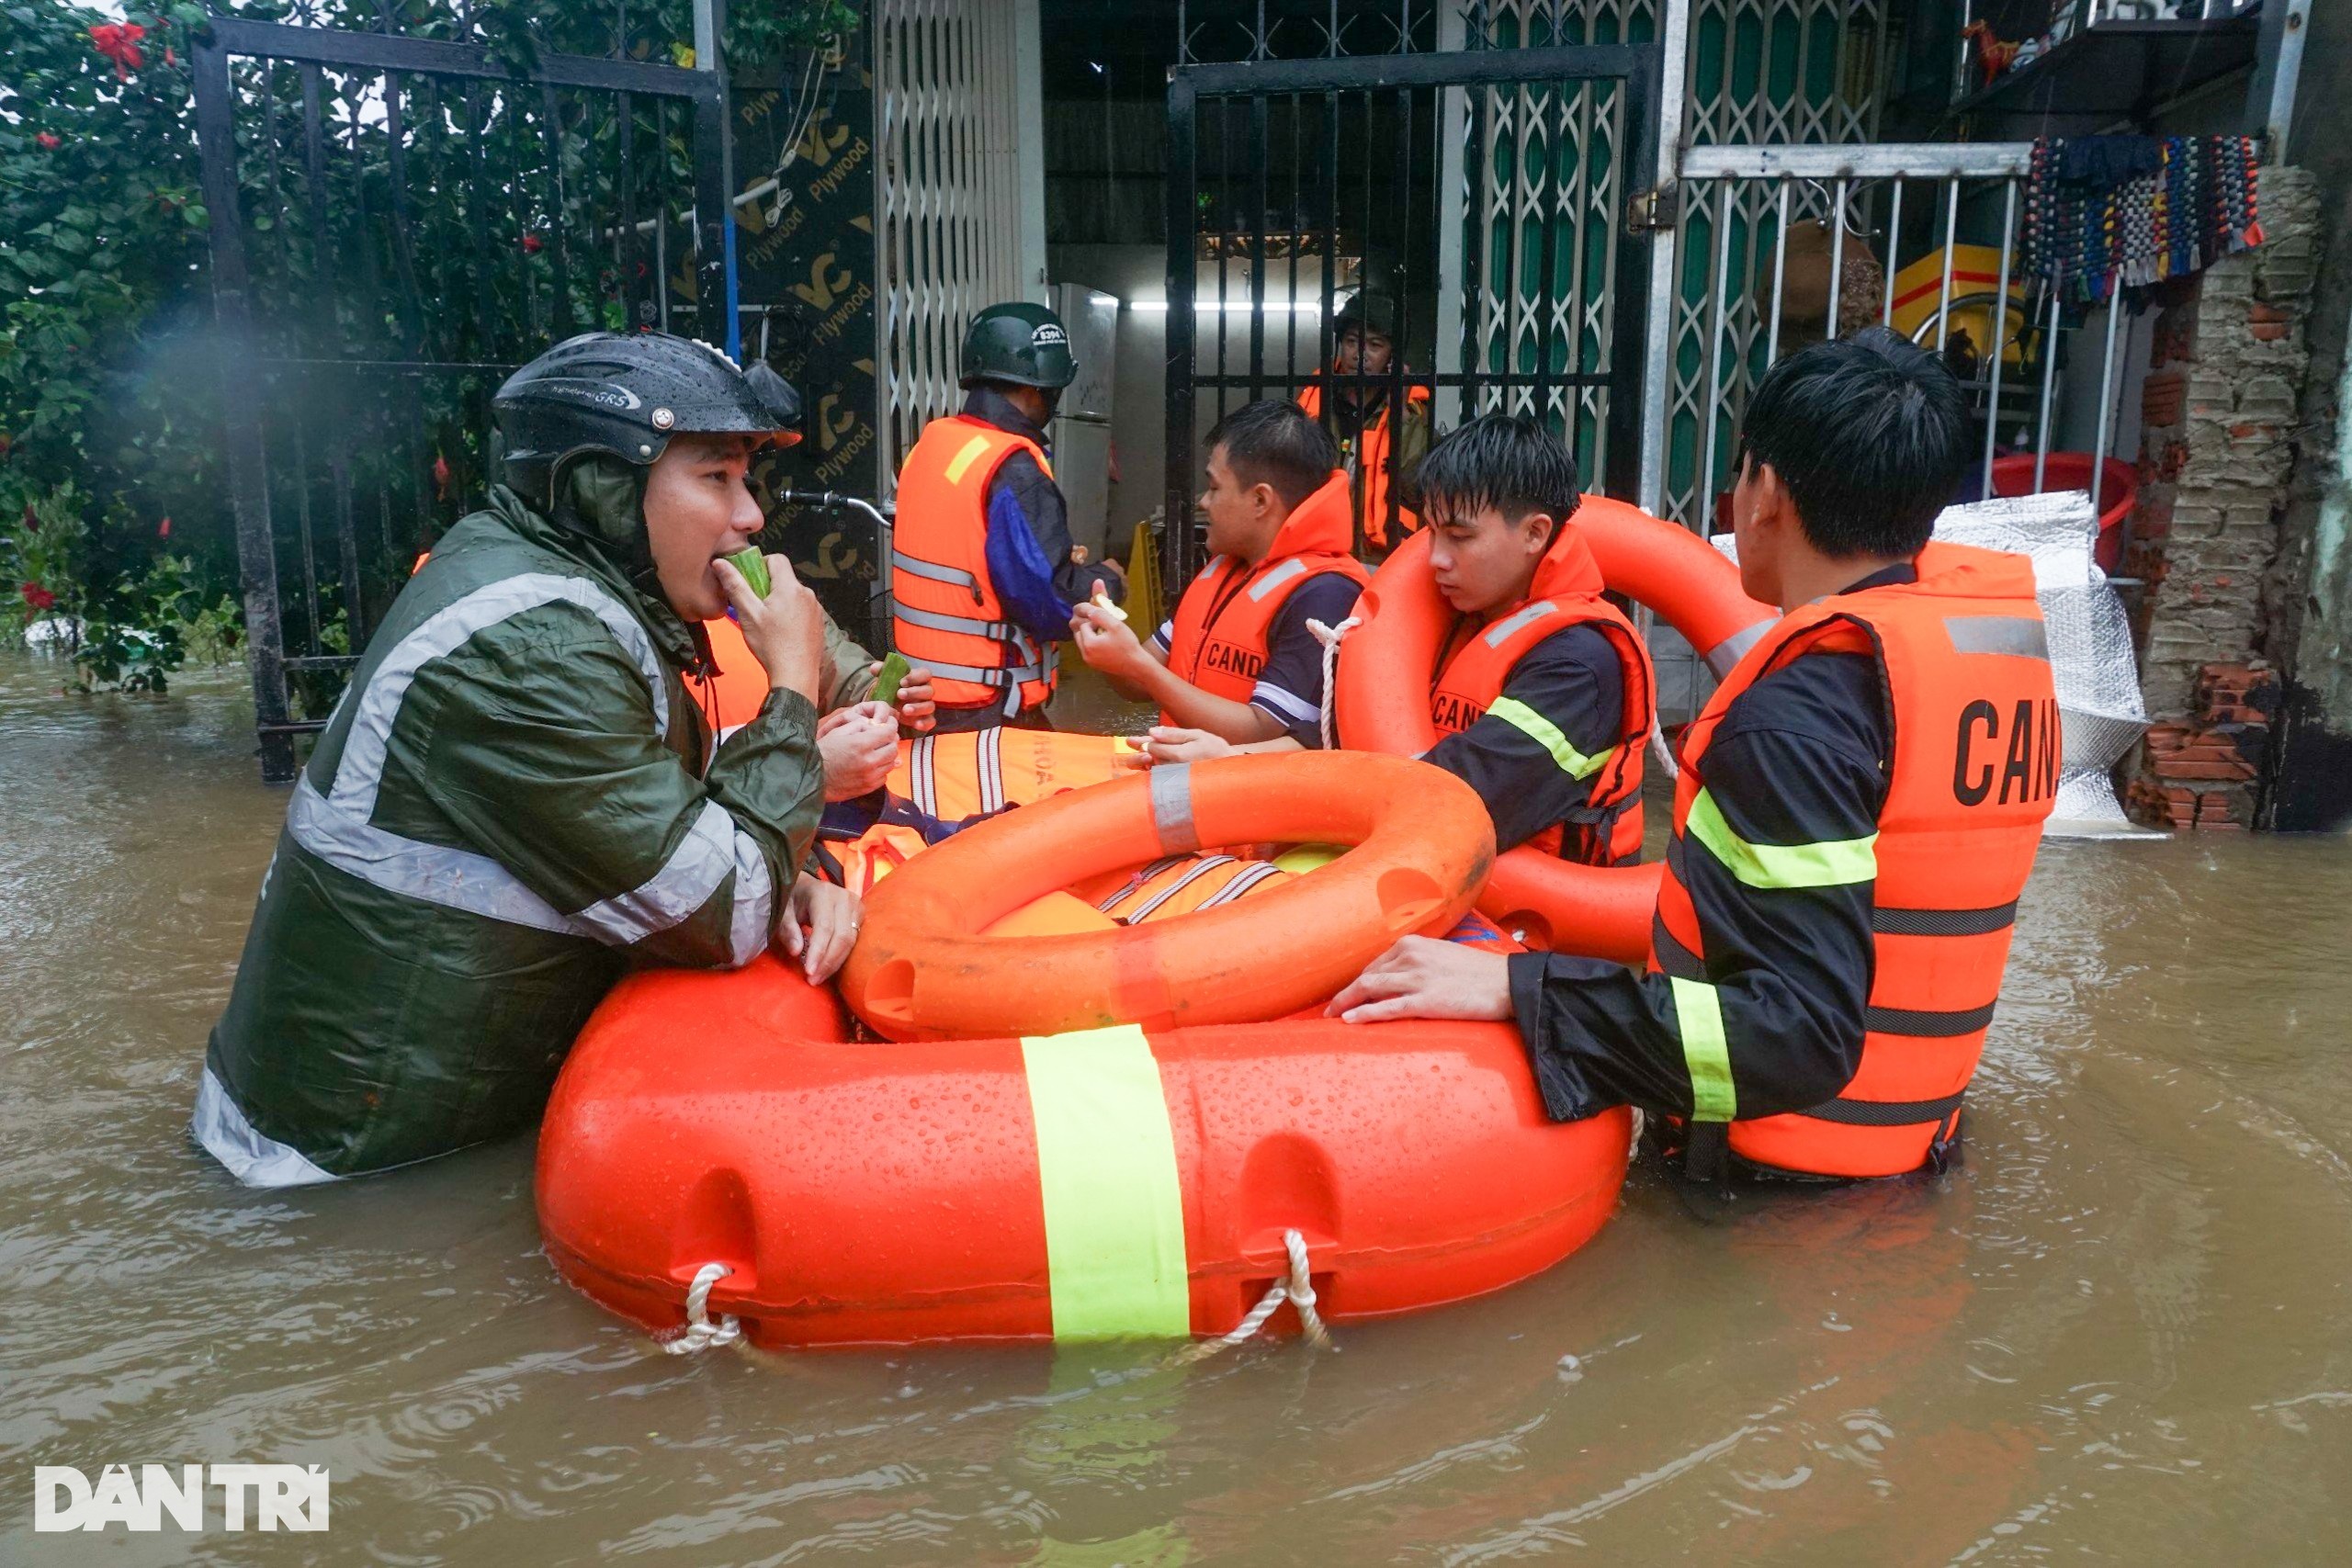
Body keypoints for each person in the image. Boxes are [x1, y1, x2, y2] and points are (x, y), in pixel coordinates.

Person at [1332, 328, 2060, 1185]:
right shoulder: (1979, 662)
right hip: (1910, 1154)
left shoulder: (1797, 715)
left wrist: (1515, 989)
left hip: (1771, 1189)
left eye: (1741, 470)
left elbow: (1795, 1036)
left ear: (1769, 497)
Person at [195, 332, 854, 1188]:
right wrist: (794, 688)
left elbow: (645, 828)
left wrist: (786, 862)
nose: (752, 516)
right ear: (601, 489)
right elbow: (723, 915)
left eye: (746, 478)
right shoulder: (531, 646)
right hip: (331, 1182)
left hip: (386, 1146)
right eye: (715, 477)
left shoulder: (562, 589)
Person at [1130, 413, 1653, 870]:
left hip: (1528, 930)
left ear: (1535, 534)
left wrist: (1242, 775)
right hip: (1425, 871)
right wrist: (1232, 760)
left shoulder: (1580, 663)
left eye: (1461, 537)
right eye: (1432, 535)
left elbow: (1446, 801)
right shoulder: (1452, 617)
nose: (1436, 560)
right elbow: (1341, 738)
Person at [1069, 400, 1363, 750]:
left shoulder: (1325, 594)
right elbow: (1136, 683)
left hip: (1246, 800)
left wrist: (1137, 664)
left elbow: (1264, 733)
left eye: (1214, 487)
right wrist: (1107, 642)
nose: (1202, 502)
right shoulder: (1222, 571)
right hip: (1181, 788)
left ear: (1260, 501)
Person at [890, 301, 1125, 733]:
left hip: (923, 701)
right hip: (988, 713)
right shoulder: (1012, 469)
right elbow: (1052, 604)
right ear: (1038, 389)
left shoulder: (934, 445)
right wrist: (1108, 581)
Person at [1296, 290, 1430, 557]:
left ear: (1392, 356)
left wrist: (1400, 414)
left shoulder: (1413, 409)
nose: (1360, 354)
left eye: (1375, 345)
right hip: (1316, 547)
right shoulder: (1312, 397)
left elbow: (1414, 485)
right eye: (1351, 341)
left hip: (1379, 558)